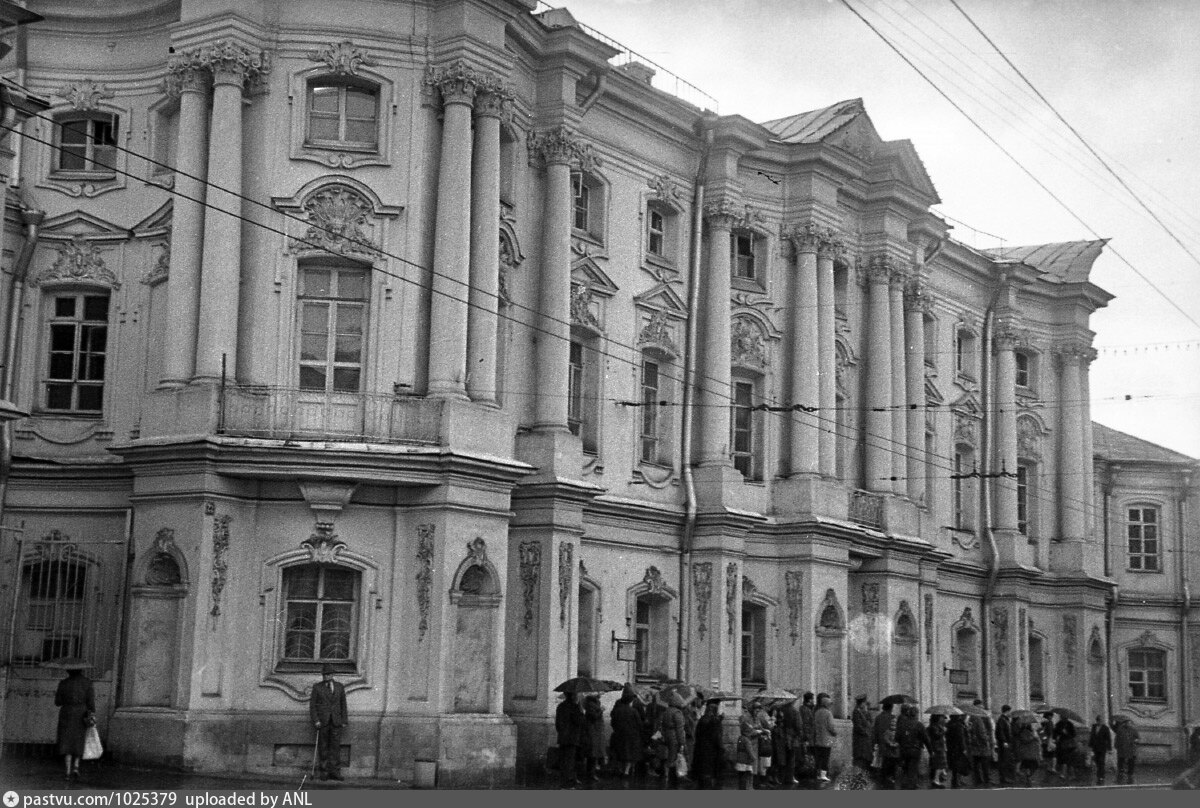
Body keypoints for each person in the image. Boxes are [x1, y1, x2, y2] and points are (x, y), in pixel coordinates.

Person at [55, 665, 95, 781]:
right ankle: (76, 767)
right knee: (78, 739)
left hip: (66, 713)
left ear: (68, 671)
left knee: (66, 740)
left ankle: (67, 771)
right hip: (81, 713)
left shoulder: (63, 683)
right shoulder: (87, 683)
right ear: (81, 670)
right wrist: (91, 713)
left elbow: (58, 702)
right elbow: (91, 702)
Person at [309, 663, 348, 782]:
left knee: (335, 747)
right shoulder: (317, 687)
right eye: (325, 674)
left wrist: (344, 720)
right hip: (323, 722)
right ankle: (324, 771)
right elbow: (312, 706)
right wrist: (316, 720)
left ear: (332, 675)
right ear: (322, 675)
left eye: (329, 674)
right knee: (323, 747)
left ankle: (335, 772)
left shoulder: (340, 687)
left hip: (336, 721)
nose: (327, 676)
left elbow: (343, 705)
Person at [610, 684, 644, 778]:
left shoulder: (617, 708)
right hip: (632, 734)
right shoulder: (634, 710)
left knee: (621, 752)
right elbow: (640, 723)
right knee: (630, 753)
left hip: (619, 733)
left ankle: (621, 769)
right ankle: (626, 771)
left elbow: (613, 721)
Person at [555, 692, 586, 788]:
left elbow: (558, 723)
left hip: (563, 738)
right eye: (576, 695)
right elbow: (580, 721)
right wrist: (582, 712)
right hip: (572, 738)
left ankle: (565, 781)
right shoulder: (574, 707)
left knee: (564, 761)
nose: (577, 696)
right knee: (570, 761)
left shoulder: (561, 706)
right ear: (573, 696)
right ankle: (568, 783)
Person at [895, 704, 929, 790]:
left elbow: (897, 737)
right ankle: (912, 786)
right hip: (915, 751)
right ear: (917, 714)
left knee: (906, 768)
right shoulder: (919, 724)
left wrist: (902, 744)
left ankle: (905, 785)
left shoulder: (902, 724)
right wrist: (930, 750)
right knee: (913, 770)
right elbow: (926, 739)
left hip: (904, 750)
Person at [692, 700, 725, 789]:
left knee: (702, 774)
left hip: (700, 749)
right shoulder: (715, 720)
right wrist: (721, 748)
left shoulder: (702, 719)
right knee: (710, 774)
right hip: (712, 751)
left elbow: (697, 734)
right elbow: (717, 737)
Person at [660, 691, 688, 789]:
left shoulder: (666, 711)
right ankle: (670, 777)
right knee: (673, 757)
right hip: (674, 738)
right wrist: (682, 743)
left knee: (669, 756)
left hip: (666, 736)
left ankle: (667, 774)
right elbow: (680, 730)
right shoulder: (677, 713)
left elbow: (662, 725)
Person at [873, 698, 900, 787]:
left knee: (881, 764)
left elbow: (875, 732)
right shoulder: (893, 718)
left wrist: (876, 743)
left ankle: (882, 782)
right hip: (891, 747)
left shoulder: (878, 718)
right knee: (891, 765)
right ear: (891, 708)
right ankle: (890, 781)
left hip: (881, 745)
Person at [812, 692, 837, 783]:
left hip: (818, 738)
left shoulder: (817, 712)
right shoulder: (828, 713)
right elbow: (831, 726)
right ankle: (823, 775)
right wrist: (835, 733)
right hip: (827, 739)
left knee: (819, 757)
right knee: (826, 757)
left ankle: (818, 774)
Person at [967, 710, 994, 787]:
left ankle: (977, 780)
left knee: (976, 764)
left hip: (974, 745)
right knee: (985, 764)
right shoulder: (979, 720)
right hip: (981, 746)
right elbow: (982, 734)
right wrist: (987, 739)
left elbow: (969, 730)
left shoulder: (970, 718)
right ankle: (986, 780)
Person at [582, 694, 605, 782]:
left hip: (596, 731)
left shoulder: (595, 703)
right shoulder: (590, 704)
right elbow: (593, 716)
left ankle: (591, 772)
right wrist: (601, 711)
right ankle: (591, 773)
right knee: (592, 753)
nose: (600, 693)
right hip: (592, 731)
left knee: (593, 753)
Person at [1015, 719, 1042, 787]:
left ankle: (1028, 776)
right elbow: (1026, 740)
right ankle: (1028, 776)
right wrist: (1034, 737)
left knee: (1029, 765)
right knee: (1033, 765)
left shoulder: (1029, 731)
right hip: (1028, 752)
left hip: (1030, 752)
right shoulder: (1024, 732)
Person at [946, 713, 971, 789]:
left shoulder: (949, 724)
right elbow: (961, 738)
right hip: (958, 748)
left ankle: (955, 781)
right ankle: (957, 781)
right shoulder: (959, 725)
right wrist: (963, 748)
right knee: (959, 765)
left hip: (951, 747)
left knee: (954, 765)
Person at [1114, 716, 1140, 785]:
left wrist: (1136, 740)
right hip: (1122, 749)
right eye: (1127, 722)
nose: (1128, 723)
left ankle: (1130, 773)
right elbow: (1117, 738)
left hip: (1130, 748)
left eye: (1129, 722)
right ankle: (1121, 772)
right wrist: (1116, 745)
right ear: (1124, 723)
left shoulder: (1133, 730)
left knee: (1131, 762)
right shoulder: (1120, 730)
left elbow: (1138, 738)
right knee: (1121, 761)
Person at [851, 694, 874, 772]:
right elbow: (858, 726)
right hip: (860, 740)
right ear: (862, 703)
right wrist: (866, 732)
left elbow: (870, 722)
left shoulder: (864, 712)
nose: (865, 704)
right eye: (864, 702)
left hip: (865, 740)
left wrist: (867, 712)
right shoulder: (856, 712)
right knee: (860, 759)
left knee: (865, 758)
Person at [1088, 714, 1112, 785]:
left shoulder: (1105, 728)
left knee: (1101, 762)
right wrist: (1090, 746)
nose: (1100, 722)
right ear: (1097, 720)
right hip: (1095, 747)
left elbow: (1108, 739)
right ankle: (1099, 774)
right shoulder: (1093, 726)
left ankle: (1101, 776)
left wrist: (1109, 748)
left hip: (1102, 747)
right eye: (1099, 720)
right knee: (1097, 761)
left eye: (1101, 721)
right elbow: (1092, 736)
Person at [1052, 713, 1077, 781]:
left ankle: (1064, 774)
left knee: (1066, 760)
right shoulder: (1058, 724)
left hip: (1069, 746)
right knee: (1064, 760)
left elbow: (1073, 735)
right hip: (1061, 745)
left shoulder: (1070, 724)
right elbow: (1054, 734)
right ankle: (1069, 774)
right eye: (1062, 716)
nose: (1062, 717)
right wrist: (1057, 736)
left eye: (1064, 717)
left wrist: (1066, 733)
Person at [994, 705, 1014, 785]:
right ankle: (1003, 778)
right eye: (1009, 711)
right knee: (1003, 760)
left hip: (1006, 742)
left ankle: (1005, 777)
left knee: (1006, 760)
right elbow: (1001, 731)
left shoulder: (1005, 719)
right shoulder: (1002, 720)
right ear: (1007, 711)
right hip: (1004, 743)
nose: (1010, 713)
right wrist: (1004, 741)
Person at [736, 719, 759, 789]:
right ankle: (747, 788)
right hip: (746, 761)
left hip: (740, 761)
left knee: (741, 776)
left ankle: (741, 788)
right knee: (747, 776)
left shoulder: (740, 738)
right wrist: (754, 758)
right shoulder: (747, 740)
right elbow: (749, 751)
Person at [927, 713, 949, 788]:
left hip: (940, 747)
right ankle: (936, 780)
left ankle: (939, 777)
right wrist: (944, 731)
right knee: (939, 765)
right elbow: (937, 736)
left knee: (941, 764)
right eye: (941, 717)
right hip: (937, 748)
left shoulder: (937, 725)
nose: (943, 719)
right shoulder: (933, 726)